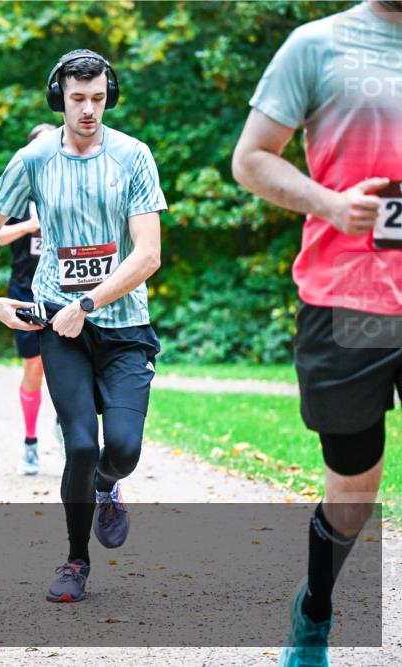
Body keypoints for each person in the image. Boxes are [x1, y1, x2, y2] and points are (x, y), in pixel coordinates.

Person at [231, 3, 401, 664]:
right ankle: (315, 612)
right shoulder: (317, 45)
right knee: (353, 494)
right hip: (348, 305)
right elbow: (251, 159)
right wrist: (331, 204)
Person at [0, 49, 166, 604]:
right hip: (59, 325)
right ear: (59, 97)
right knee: (80, 445)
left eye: (98, 98)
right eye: (78, 98)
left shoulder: (133, 156)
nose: (88, 110)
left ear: (110, 97)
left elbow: (148, 254)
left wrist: (88, 301)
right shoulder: (34, 158)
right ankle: (76, 560)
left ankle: (108, 485)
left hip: (123, 324)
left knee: (122, 450)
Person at [0, 123, 58, 475]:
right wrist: (29, 226)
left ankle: (66, 426)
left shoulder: (68, 190)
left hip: (65, 292)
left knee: (71, 365)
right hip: (25, 294)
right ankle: (31, 443)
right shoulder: (18, 196)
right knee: (34, 367)